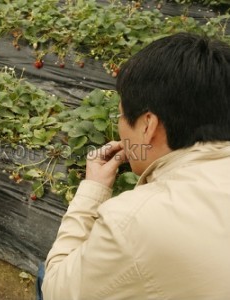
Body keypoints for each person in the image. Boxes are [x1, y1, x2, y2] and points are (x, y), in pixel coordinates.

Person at [41, 32, 230, 299]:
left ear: (147, 125)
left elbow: (56, 290)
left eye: (120, 115)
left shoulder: (133, 222)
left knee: (44, 272)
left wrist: (92, 190)